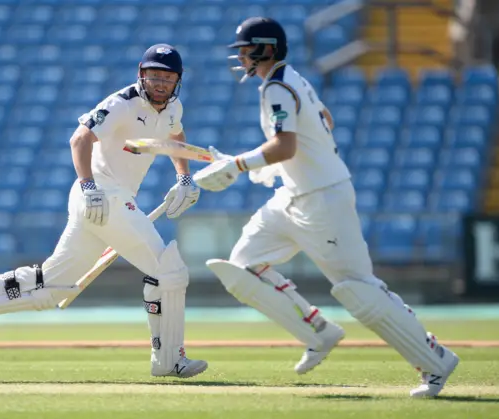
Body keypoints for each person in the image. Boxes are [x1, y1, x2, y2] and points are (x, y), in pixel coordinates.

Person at [192, 17, 459, 398]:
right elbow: (323, 121)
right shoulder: (290, 80)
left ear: (267, 49)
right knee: (243, 266)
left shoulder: (278, 87)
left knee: (358, 290)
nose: (242, 57)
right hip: (293, 195)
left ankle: (436, 361)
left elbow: (286, 145)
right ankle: (318, 330)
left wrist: (239, 165)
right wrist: (275, 169)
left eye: (248, 50)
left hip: (323, 200)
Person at [0, 44, 208, 379]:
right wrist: (89, 185)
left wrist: (183, 176)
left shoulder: (172, 108)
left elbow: (175, 137)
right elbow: (79, 139)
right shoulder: (121, 103)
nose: (159, 82)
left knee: (53, 286)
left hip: (106, 202)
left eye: (166, 76)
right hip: (102, 195)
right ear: (141, 73)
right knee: (169, 270)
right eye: (153, 75)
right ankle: (169, 359)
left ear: (177, 79)